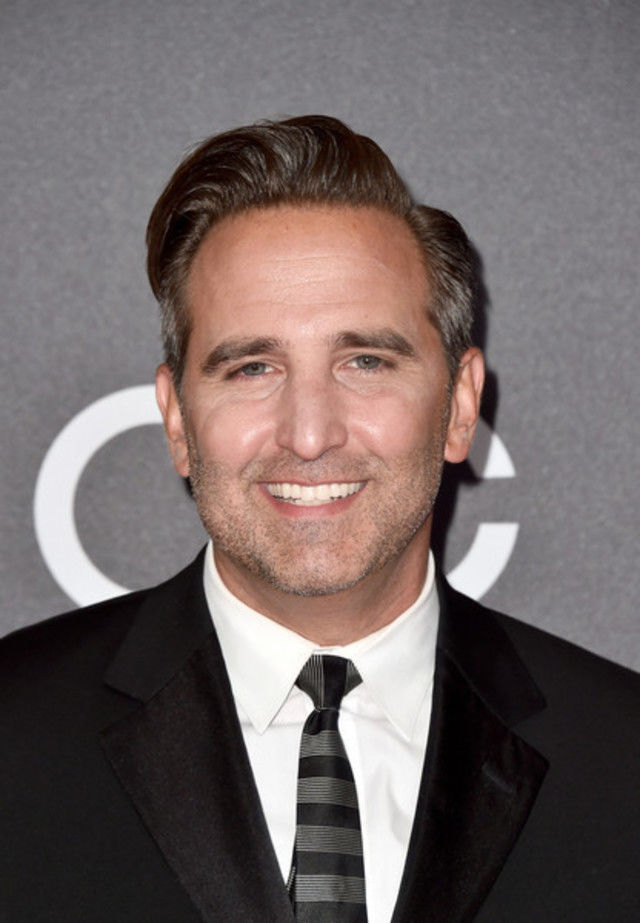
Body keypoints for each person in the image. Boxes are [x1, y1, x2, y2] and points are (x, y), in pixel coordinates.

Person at [1, 116, 638, 923]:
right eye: (252, 367)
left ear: (459, 405)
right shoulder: (15, 734)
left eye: (364, 362)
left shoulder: (621, 757)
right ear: (177, 419)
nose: (308, 434)